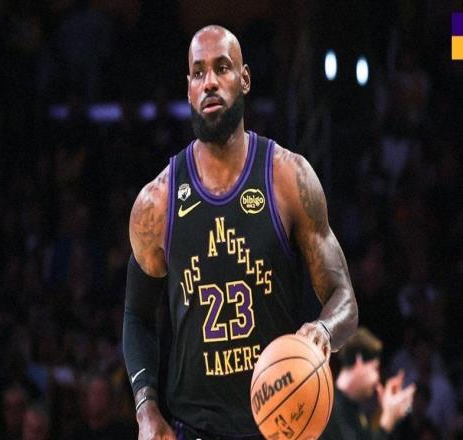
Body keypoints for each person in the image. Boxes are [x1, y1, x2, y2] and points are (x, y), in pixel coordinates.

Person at [123, 25, 358, 439]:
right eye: (198, 73)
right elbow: (136, 316)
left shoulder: (288, 177)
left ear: (245, 79)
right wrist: (146, 408)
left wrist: (323, 330)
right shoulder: (156, 203)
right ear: (189, 89)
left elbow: (344, 299)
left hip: (279, 425)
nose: (210, 82)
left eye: (222, 68)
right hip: (193, 427)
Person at [321, 327, 416, 440]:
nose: (377, 379)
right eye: (375, 368)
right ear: (359, 360)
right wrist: (388, 420)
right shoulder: (328, 407)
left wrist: (385, 411)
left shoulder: (355, 411)